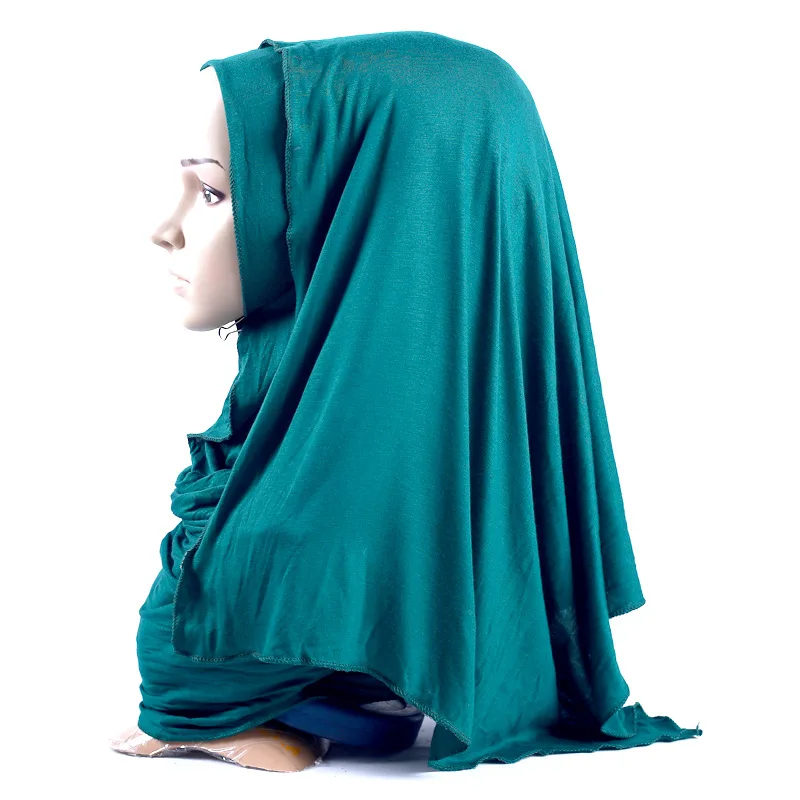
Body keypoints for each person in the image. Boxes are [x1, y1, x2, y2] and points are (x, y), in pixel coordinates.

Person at [114, 31, 702, 773]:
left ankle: (307, 691)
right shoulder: (358, 441)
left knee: (187, 627)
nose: (163, 231)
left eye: (212, 193)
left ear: (358, 207)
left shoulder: (293, 532)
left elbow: (180, 655)